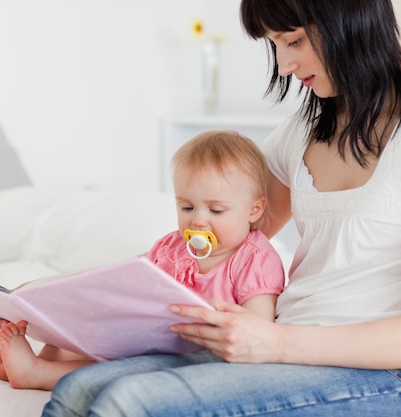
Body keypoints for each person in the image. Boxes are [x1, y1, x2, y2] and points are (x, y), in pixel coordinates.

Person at [40, 0, 401, 415]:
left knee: (129, 402)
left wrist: (275, 343)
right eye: (274, 45)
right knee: (76, 391)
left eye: (294, 40)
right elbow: (222, 232)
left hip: (378, 370)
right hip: (284, 344)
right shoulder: (302, 130)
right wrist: (64, 302)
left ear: (350, 20)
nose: (283, 65)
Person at [0, 130, 286, 390]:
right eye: (187, 206)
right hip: (148, 340)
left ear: (254, 210)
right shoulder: (172, 247)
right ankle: (36, 362)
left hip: (198, 357)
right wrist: (35, 293)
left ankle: (37, 374)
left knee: (134, 370)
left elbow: (257, 332)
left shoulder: (254, 261)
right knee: (78, 332)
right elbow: (119, 279)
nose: (198, 221)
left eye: (216, 211)